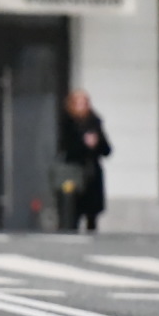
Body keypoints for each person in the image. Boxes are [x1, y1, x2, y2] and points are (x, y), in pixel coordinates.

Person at [57, 89, 112, 232]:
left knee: (92, 211)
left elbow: (107, 150)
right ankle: (71, 230)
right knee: (72, 207)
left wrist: (96, 144)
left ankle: (91, 232)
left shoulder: (94, 122)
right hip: (74, 170)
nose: (82, 106)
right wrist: (83, 144)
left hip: (92, 171)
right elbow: (65, 148)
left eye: (85, 103)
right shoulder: (67, 122)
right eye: (79, 103)